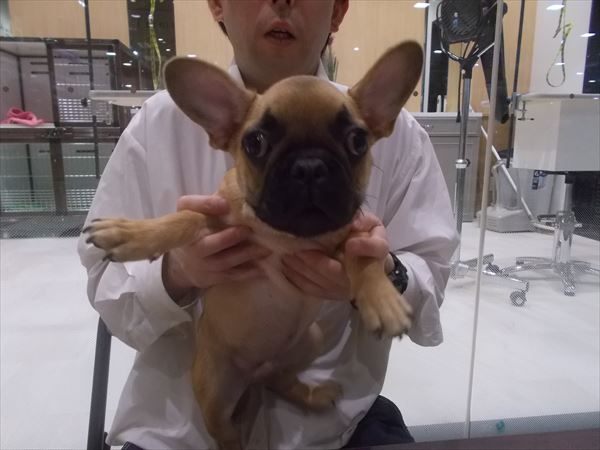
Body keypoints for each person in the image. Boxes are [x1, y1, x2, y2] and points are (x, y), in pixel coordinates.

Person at [78, 0, 459, 448]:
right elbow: (104, 280)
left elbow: (430, 281)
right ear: (217, 5)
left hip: (339, 424)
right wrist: (176, 273)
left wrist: (381, 274)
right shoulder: (156, 124)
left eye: (353, 143)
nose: (281, 0)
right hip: (180, 426)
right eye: (259, 144)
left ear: (337, 11)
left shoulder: (401, 135)